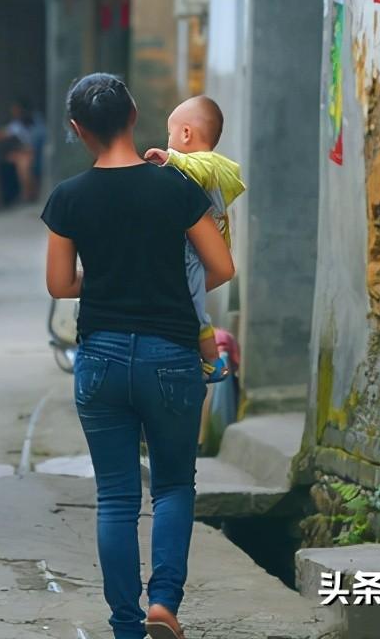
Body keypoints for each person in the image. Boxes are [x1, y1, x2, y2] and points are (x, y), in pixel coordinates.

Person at [41, 74, 235, 639]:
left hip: (99, 358)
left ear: (80, 131)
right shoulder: (175, 188)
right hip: (172, 356)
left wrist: (108, 277)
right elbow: (221, 267)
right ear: (133, 115)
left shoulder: (68, 197)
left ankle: (125, 626)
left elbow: (59, 283)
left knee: (117, 496)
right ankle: (164, 604)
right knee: (174, 485)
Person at [143, 96, 247, 377]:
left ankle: (213, 364)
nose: (168, 140)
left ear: (186, 133)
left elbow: (198, 167)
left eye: (170, 133)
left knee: (194, 308)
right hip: (204, 248)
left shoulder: (207, 165)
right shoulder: (215, 168)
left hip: (194, 251)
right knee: (193, 301)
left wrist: (170, 158)